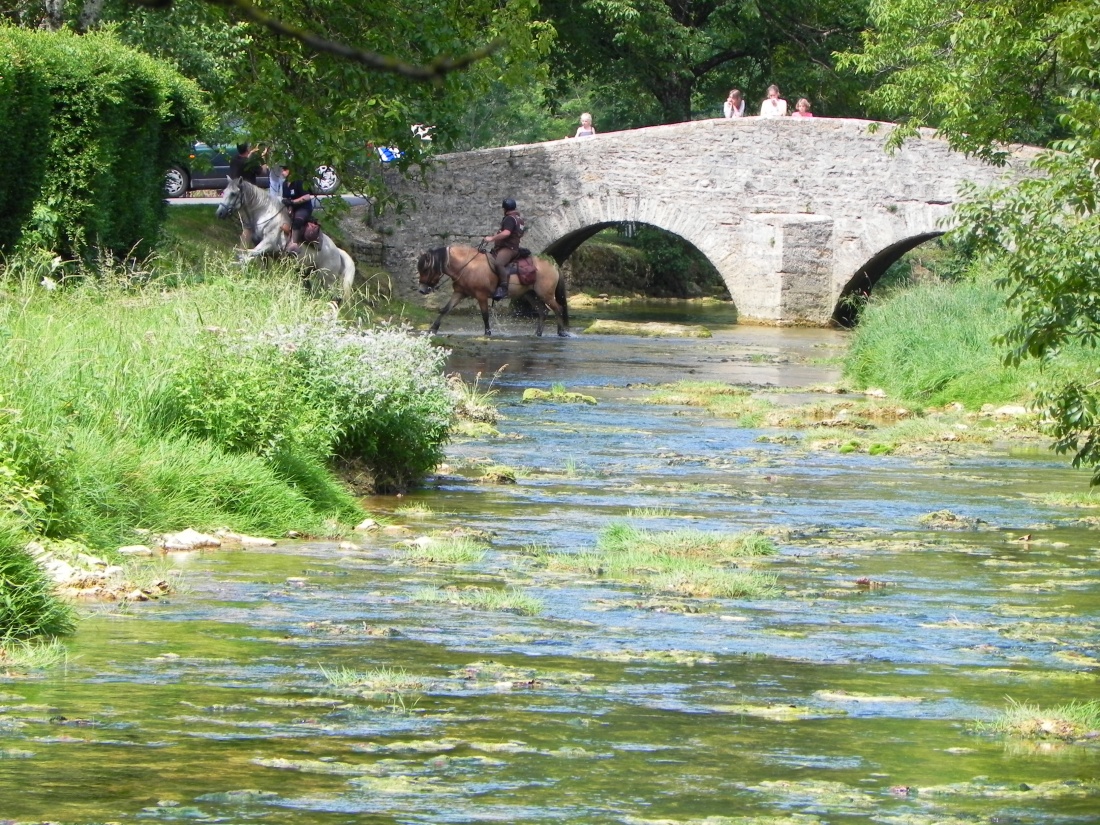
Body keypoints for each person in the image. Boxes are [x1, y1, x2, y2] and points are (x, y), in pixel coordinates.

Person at [485, 197, 525, 301]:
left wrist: (492, 238)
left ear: (505, 209)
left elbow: (507, 233)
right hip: (511, 247)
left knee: (499, 263)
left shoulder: (510, 218)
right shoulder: (519, 219)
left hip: (508, 249)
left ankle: (503, 288)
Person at [280, 165, 314, 254]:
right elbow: (286, 199)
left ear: (290, 171)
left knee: (297, 222)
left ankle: (294, 245)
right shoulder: (284, 184)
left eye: (284, 169)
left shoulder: (299, 181)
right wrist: (289, 207)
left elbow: (307, 197)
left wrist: (293, 202)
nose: (282, 172)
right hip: (292, 208)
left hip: (304, 208)